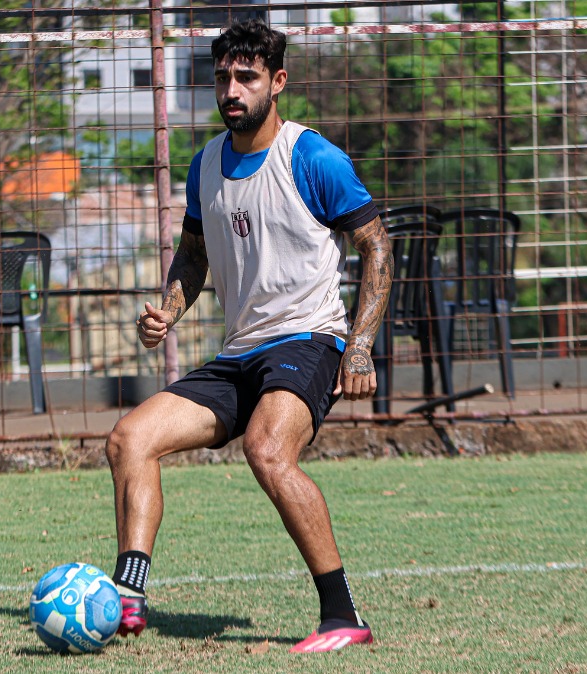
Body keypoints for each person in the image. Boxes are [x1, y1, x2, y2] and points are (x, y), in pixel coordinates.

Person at [104, 18, 393, 654]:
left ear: (277, 82)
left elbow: (376, 246)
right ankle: (127, 598)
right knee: (130, 438)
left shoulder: (312, 156)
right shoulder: (206, 162)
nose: (232, 89)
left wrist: (362, 344)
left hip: (308, 340)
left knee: (266, 450)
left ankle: (342, 615)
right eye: (222, 78)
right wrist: (169, 309)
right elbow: (193, 253)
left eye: (247, 77)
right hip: (240, 352)